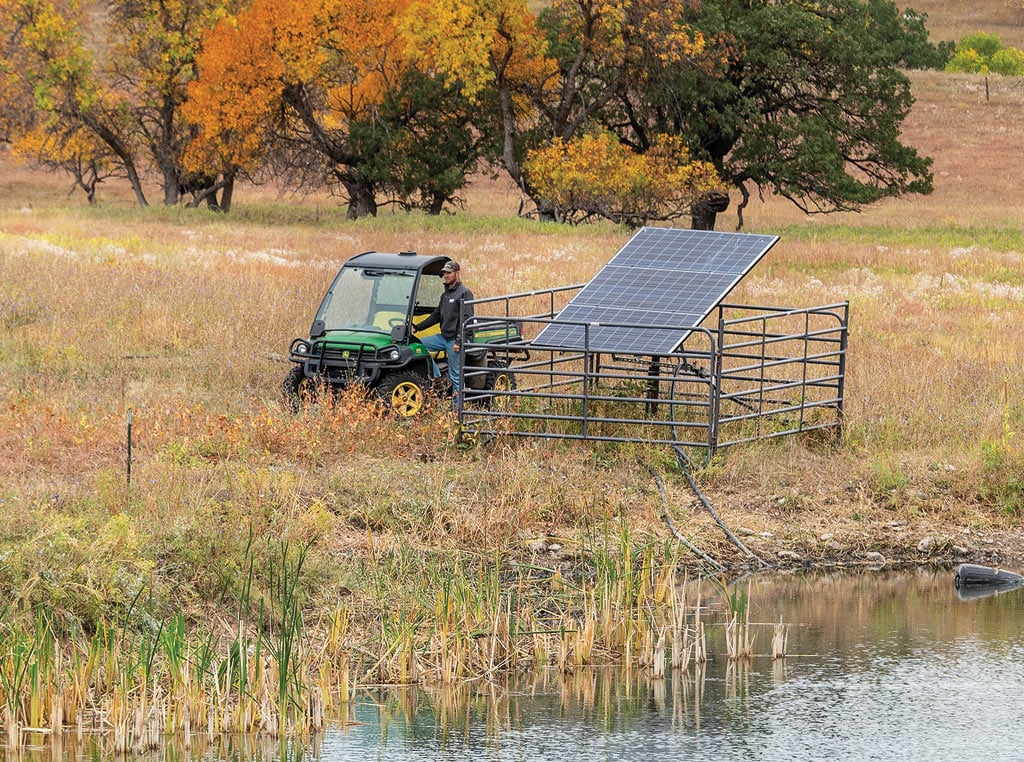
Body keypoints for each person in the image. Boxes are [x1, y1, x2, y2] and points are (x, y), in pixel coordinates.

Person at [415, 260, 474, 407]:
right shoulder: (446, 294)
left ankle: (457, 410)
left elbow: (467, 320)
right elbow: (436, 315)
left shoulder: (465, 293)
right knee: (418, 345)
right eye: (444, 273)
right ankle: (437, 376)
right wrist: (417, 328)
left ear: (457, 273)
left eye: (449, 272)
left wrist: (459, 342)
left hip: (454, 340)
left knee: (456, 375)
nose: (446, 275)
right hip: (443, 337)